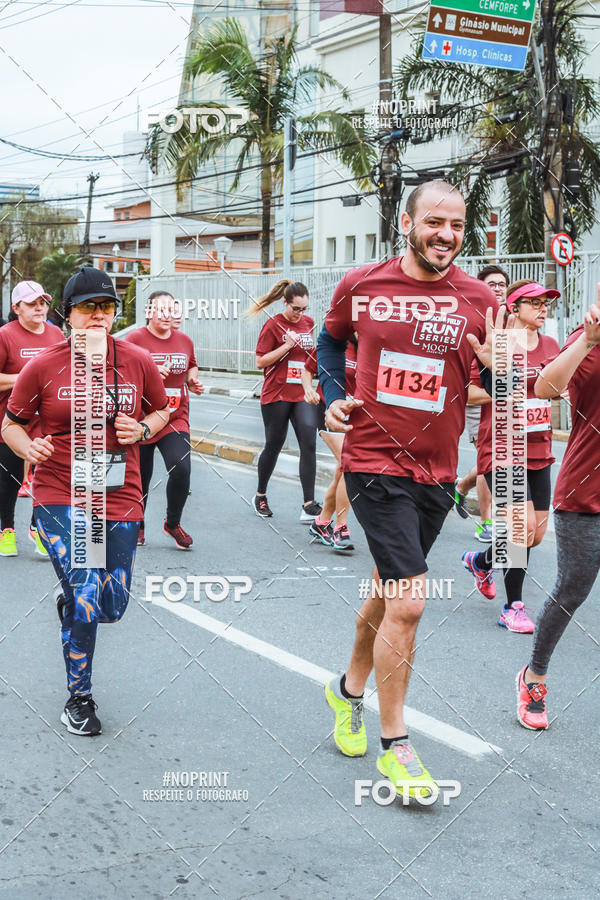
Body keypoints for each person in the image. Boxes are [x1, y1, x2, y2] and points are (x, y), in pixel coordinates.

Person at [318, 180, 502, 799]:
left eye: (456, 224)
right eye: (434, 222)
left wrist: (499, 370)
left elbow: (498, 386)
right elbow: (329, 339)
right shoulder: (362, 285)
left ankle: (345, 690)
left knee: (388, 590)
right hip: (373, 461)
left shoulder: (478, 300)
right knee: (411, 601)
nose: (445, 235)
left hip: (436, 470)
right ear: (407, 222)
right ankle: (397, 745)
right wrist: (334, 397)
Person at [2, 266, 169, 736]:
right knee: (89, 594)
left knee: (112, 603)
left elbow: (161, 411)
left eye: (107, 307)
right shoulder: (43, 365)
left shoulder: (137, 361)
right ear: (69, 313)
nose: (98, 315)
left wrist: (142, 429)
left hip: (119, 495)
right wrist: (26, 447)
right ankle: (79, 698)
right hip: (61, 493)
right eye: (87, 307)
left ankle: (74, 600)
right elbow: (10, 423)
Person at [515, 293, 600, 729]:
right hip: (587, 494)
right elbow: (545, 388)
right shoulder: (587, 341)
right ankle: (535, 674)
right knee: (572, 590)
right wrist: (588, 342)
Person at [462, 280, 560, 632]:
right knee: (521, 528)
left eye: (546, 302)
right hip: (502, 444)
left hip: (539, 447)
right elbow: (470, 392)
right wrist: (505, 393)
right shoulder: (498, 344)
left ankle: (483, 560)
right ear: (515, 308)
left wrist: (556, 390)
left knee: (533, 535)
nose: (543, 307)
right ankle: (512, 606)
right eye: (534, 302)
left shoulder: (550, 344)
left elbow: (553, 386)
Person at [123, 291, 203, 549]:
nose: (169, 315)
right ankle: (138, 523)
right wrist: (149, 369)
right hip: (142, 419)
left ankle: (172, 523)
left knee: (181, 469)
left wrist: (193, 380)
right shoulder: (134, 339)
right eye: (162, 310)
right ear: (149, 312)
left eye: (173, 309)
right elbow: (121, 374)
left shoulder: (184, 340)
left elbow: (191, 364)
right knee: (141, 479)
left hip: (174, 417)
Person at [0, 281, 64, 557]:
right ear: (16, 308)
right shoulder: (5, 335)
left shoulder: (56, 334)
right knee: (10, 478)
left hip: (48, 421)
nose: (39, 308)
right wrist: (27, 379)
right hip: (13, 421)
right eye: (31, 303)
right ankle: (6, 530)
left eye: (43, 302)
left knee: (47, 478)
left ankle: (37, 528)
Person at [250, 280, 322, 521]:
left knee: (309, 444)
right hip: (276, 393)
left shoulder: (308, 324)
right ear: (285, 303)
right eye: (296, 309)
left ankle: (309, 504)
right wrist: (286, 346)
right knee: (274, 444)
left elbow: (310, 357)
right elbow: (260, 361)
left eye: (304, 309)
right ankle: (260, 495)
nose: (300, 314)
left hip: (301, 392)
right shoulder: (273, 325)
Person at [454, 265, 508, 540]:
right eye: (491, 284)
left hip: (505, 403)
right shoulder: (473, 321)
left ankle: (461, 486)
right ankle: (486, 522)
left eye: (501, 284)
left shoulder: (512, 321)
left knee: (499, 461)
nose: (497, 288)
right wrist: (503, 392)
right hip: (478, 400)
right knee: (490, 462)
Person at [302, 339, 356, 552]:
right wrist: (309, 390)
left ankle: (321, 523)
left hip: (357, 416)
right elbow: (308, 370)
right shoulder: (333, 343)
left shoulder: (373, 343)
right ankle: (341, 528)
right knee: (349, 464)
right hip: (328, 410)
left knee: (341, 470)